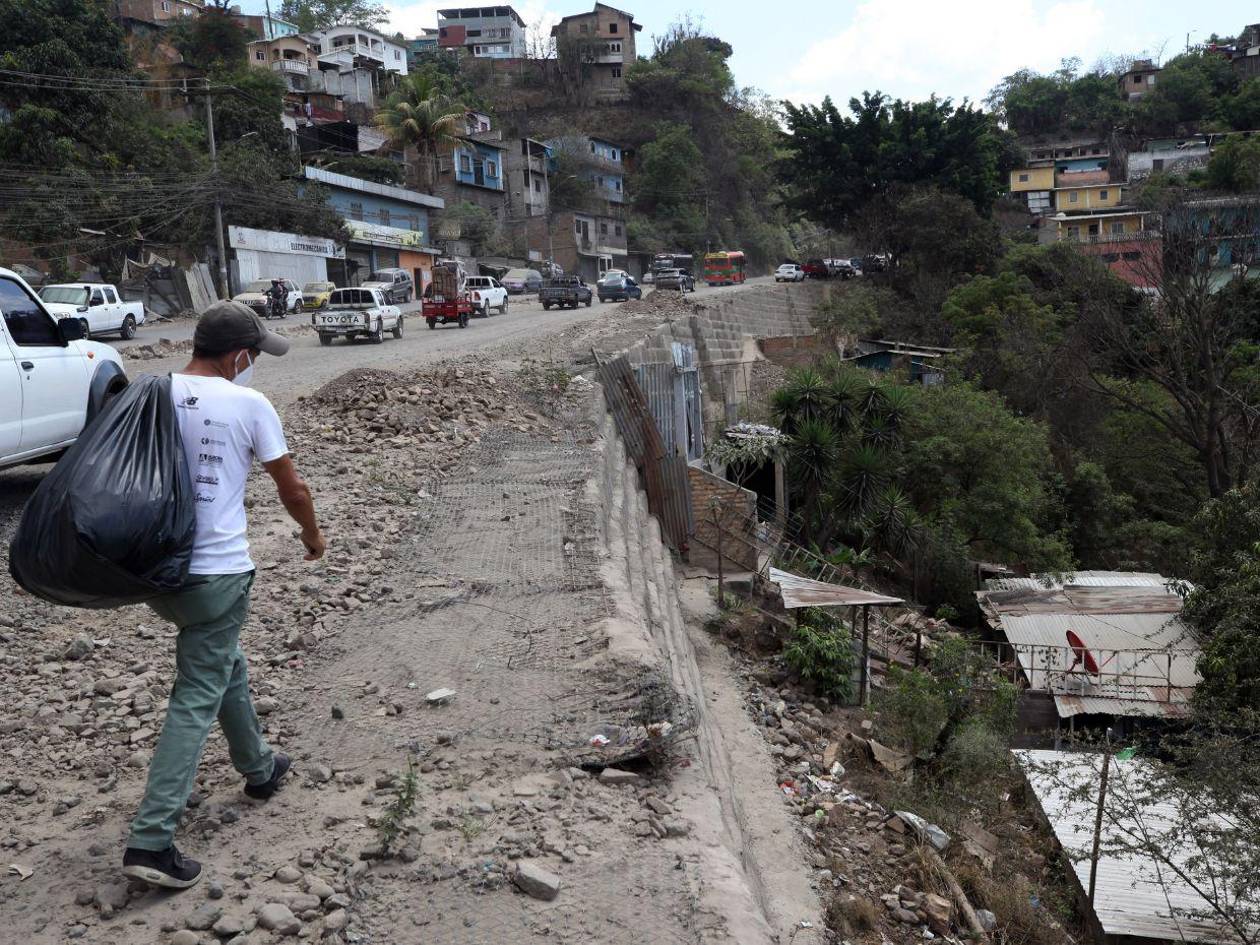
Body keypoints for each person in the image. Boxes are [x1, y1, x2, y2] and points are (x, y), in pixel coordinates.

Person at [121, 301, 326, 890]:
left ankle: (260, 769)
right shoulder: (249, 404)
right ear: (239, 355)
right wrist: (312, 538)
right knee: (196, 695)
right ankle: (152, 840)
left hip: (158, 576)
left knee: (219, 660)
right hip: (216, 575)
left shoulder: (151, 390)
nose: (254, 364)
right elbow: (294, 489)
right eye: (255, 354)